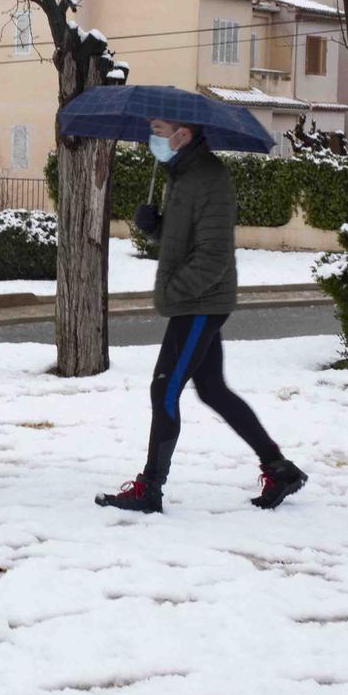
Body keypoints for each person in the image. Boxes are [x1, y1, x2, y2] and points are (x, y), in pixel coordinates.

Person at [96, 118, 307, 515]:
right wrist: (155, 227)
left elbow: (212, 257)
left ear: (184, 134)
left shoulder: (209, 178)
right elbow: (186, 238)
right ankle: (280, 470)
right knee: (212, 390)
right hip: (197, 300)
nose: (153, 137)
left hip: (200, 302)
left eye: (160, 130)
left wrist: (172, 293)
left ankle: (150, 488)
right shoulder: (182, 173)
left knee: (165, 389)